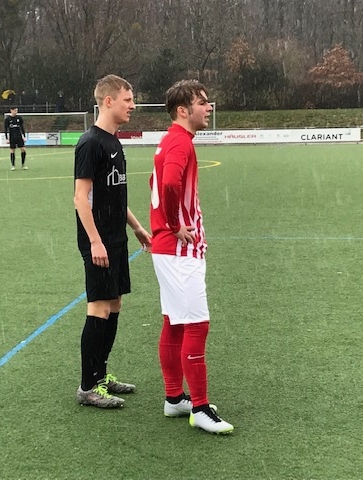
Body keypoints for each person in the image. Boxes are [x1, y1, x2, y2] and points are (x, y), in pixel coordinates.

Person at [149, 79, 234, 434]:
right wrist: (174, 224)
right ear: (183, 110)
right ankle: (199, 408)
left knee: (175, 322)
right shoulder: (180, 141)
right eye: (202, 102)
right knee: (197, 325)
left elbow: (160, 183)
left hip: (169, 249)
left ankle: (174, 398)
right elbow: (169, 183)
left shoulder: (172, 139)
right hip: (178, 249)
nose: (208, 107)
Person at [74, 74, 152, 408]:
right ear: (109, 101)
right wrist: (95, 241)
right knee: (99, 307)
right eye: (127, 100)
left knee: (115, 304)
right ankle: (87, 387)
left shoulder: (114, 143)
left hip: (116, 238)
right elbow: (81, 198)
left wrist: (136, 227)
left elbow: (115, 196)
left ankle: (101, 375)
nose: (132, 106)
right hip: (99, 240)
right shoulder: (90, 143)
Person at [4, 106, 27, 170]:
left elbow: (22, 127)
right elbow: (5, 129)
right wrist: (6, 138)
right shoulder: (7, 119)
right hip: (12, 137)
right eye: (15, 110)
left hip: (19, 136)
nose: (16, 112)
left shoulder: (19, 118)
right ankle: (13, 165)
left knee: (23, 149)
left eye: (17, 110)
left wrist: (24, 136)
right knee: (12, 150)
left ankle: (23, 165)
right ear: (11, 110)